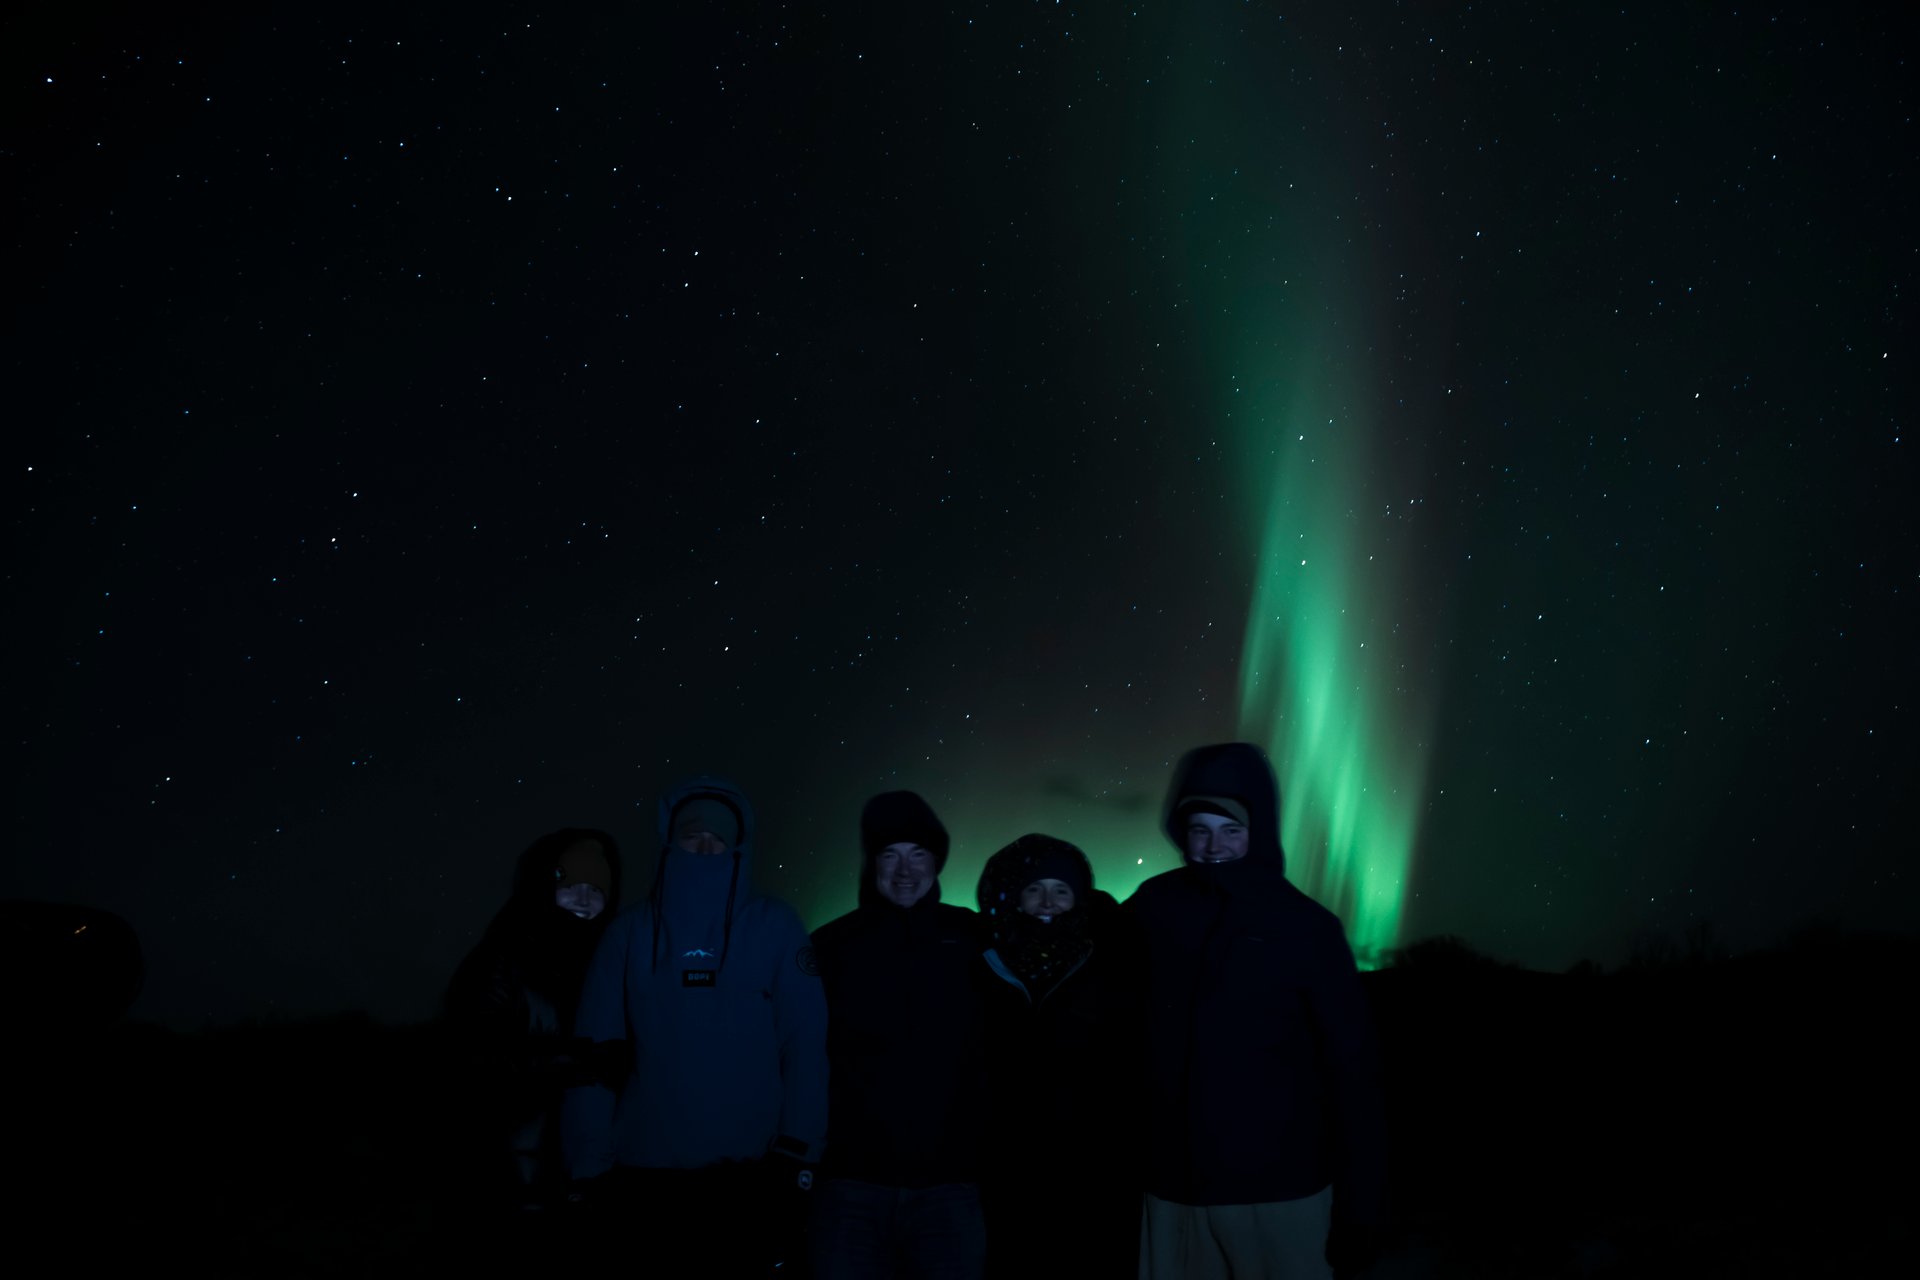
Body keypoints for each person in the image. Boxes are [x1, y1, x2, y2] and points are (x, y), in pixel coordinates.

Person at [1125, 743, 1388, 1280]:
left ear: (1259, 830)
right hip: (1173, 1190)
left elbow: (1353, 1072)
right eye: (1198, 828)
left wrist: (1362, 1203)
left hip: (1278, 1194)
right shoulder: (1151, 909)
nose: (1212, 846)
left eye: (1231, 829)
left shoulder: (1306, 927)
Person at [562, 777, 826, 1275]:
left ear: (737, 846)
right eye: (693, 836)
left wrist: (798, 1153)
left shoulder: (775, 926)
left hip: (751, 1177)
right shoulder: (629, 933)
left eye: (718, 839)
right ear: (670, 841)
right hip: (643, 1177)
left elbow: (806, 1047)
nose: (705, 848)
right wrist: (588, 1167)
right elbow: (592, 1058)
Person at [809, 791, 990, 1280]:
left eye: (918, 855)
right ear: (872, 863)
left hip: (950, 1186)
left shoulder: (974, 939)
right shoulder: (831, 945)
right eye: (890, 855)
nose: (904, 870)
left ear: (937, 862)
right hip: (851, 1185)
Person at [975, 833, 1141, 1279]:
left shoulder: (1106, 965)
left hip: (1086, 1166)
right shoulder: (983, 963)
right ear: (1015, 896)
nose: (1047, 902)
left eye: (1061, 890)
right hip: (1001, 1162)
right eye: (1034, 889)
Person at [445, 827, 624, 1219]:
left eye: (596, 889)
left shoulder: (608, 965)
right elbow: (470, 1055)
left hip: (587, 1176)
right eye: (571, 884)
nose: (583, 898)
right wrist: (580, 1062)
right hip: (512, 1177)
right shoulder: (501, 960)